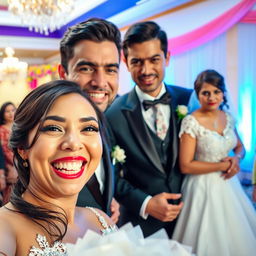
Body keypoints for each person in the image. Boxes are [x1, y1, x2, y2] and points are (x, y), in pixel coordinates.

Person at [0, 80, 117, 255]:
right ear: (23, 148)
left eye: (88, 128)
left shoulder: (102, 220)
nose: (73, 143)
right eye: (54, 128)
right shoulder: (5, 227)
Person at [105, 21, 192, 238]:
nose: (146, 70)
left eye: (154, 60)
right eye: (137, 62)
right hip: (141, 227)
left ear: (167, 58)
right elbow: (110, 175)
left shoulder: (190, 100)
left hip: (195, 217)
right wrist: (146, 203)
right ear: (126, 63)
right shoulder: (112, 114)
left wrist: (236, 156)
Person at [172, 69, 256, 255]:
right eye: (206, 93)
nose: (212, 97)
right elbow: (185, 165)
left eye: (216, 92)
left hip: (230, 186)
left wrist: (236, 159)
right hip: (201, 187)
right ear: (198, 95)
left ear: (223, 93)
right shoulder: (191, 122)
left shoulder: (227, 117)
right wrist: (223, 166)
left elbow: (240, 147)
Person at [58, 18, 121, 223]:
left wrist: (106, 200)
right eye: (86, 68)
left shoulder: (105, 124)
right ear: (63, 73)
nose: (100, 82)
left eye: (110, 69)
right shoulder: (43, 134)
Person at [0, 101, 17, 204]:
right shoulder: (1, 130)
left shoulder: (20, 127)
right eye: (7, 111)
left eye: (13, 110)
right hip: (7, 167)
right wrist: (12, 166)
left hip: (22, 165)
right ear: (3, 114)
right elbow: (3, 150)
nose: (11, 113)